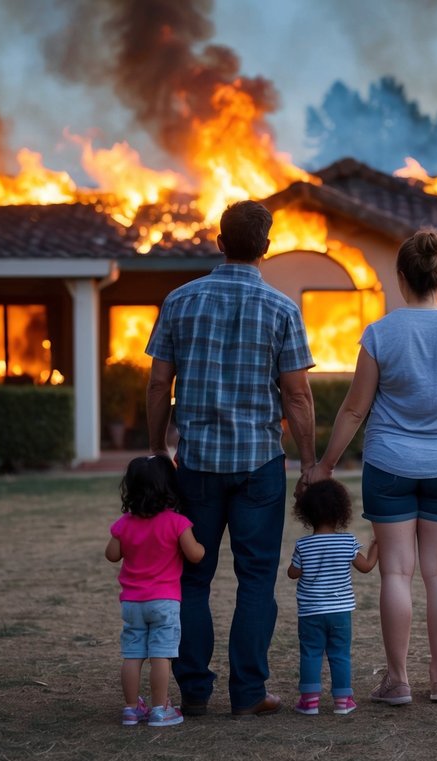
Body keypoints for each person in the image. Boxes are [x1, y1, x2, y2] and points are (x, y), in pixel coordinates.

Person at [303, 228, 437, 705]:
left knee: (396, 575)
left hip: (389, 466)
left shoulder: (380, 333)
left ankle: (399, 681)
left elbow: (354, 410)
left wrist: (325, 464)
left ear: (401, 276)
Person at [146, 199, 317, 718]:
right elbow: (297, 396)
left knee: (192, 579)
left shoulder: (179, 301)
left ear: (219, 243)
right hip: (260, 464)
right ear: (266, 248)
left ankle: (194, 691)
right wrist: (309, 462)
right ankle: (248, 692)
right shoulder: (283, 308)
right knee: (257, 579)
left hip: (195, 466)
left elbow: (158, 383)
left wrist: (158, 449)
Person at [105, 455, 206, 727]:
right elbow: (195, 555)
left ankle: (130, 708)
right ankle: (160, 709)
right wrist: (203, 547)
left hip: (132, 603)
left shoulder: (125, 523)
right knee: (161, 654)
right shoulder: (176, 522)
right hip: (164, 602)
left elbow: (112, 554)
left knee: (133, 654)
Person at [287, 479, 379, 716]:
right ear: (342, 512)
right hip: (340, 612)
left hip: (310, 612)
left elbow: (292, 573)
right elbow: (367, 566)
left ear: (306, 513)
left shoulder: (303, 545)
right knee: (339, 654)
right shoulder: (347, 541)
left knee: (310, 653)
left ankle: (309, 701)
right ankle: (342, 700)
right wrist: (376, 545)